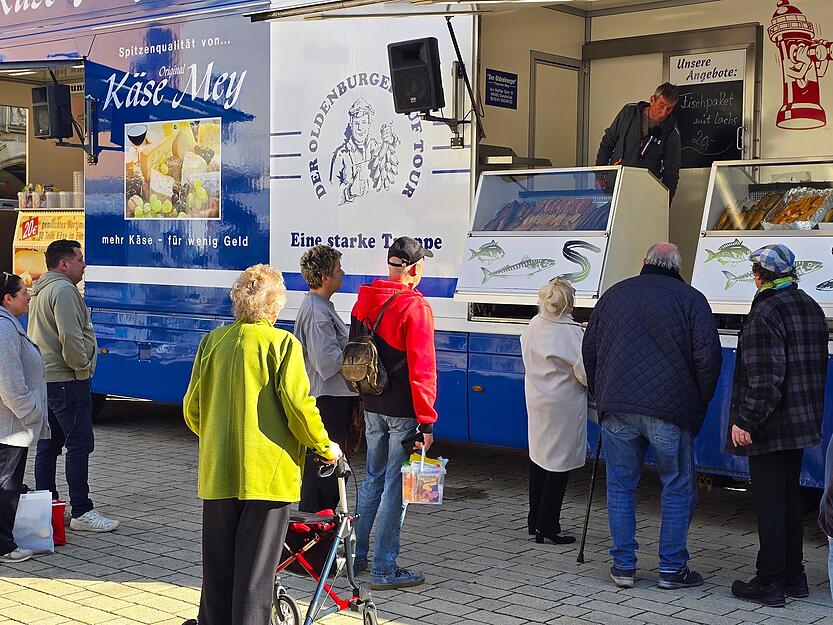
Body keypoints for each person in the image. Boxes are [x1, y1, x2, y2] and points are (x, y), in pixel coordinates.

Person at [183, 264, 342, 625]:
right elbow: (300, 409)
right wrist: (325, 445)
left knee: (218, 573)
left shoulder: (213, 342)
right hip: (267, 479)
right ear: (275, 305)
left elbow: (193, 409)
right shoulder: (283, 344)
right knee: (255, 579)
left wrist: (218, 439)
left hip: (217, 475)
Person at [582, 242, 721, 590]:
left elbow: (590, 349)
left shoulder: (614, 295)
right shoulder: (692, 300)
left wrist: (602, 395)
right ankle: (672, 569)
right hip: (670, 411)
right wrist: (697, 401)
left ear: (644, 262)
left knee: (620, 486)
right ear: (678, 266)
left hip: (617, 409)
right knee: (676, 486)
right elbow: (708, 359)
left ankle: (623, 566)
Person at [727, 244, 828, 608]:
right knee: (789, 499)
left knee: (770, 503)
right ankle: (794, 576)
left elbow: (765, 378)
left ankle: (769, 582)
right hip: (801, 422)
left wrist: (745, 420)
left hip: (771, 424)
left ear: (760, 276)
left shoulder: (765, 312)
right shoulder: (810, 307)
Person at [351, 236, 437, 590]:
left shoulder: (363, 300)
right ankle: (385, 568)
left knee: (372, 479)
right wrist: (428, 420)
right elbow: (423, 369)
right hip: (403, 410)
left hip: (371, 403)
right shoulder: (415, 307)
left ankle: (353, 558)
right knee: (395, 488)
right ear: (414, 269)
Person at [29, 240, 119, 532]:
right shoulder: (64, 291)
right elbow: (70, 337)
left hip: (47, 378)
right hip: (67, 379)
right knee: (79, 444)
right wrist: (82, 370)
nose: (84, 265)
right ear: (64, 264)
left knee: (49, 444)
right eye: (80, 259)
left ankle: (48, 506)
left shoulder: (42, 288)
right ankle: (82, 511)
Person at [520, 277, 586, 546]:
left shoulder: (534, 325)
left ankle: (534, 519)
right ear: (567, 303)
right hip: (563, 404)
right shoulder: (571, 333)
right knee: (559, 464)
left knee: (539, 458)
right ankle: (548, 525)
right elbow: (583, 374)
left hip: (536, 398)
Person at [295, 245, 358, 513]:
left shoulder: (319, 306)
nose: (342, 273)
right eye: (337, 269)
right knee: (323, 475)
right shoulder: (318, 313)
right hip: (327, 399)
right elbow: (326, 362)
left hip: (331, 397)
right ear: (324, 278)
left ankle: (320, 530)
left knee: (326, 473)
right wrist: (356, 353)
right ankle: (316, 531)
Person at [0, 272, 49, 563]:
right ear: (8, 299)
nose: (28, 296)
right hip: (10, 424)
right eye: (23, 292)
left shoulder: (9, 325)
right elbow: (9, 382)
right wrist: (31, 410)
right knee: (6, 485)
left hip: (10, 422)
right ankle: (4, 545)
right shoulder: (5, 329)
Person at [596, 83, 681, 200]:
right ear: (652, 100)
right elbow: (607, 143)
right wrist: (599, 176)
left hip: (644, 194)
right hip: (614, 185)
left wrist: (664, 205)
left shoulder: (672, 132)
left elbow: (671, 173)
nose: (663, 113)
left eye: (669, 108)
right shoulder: (628, 113)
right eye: (661, 106)